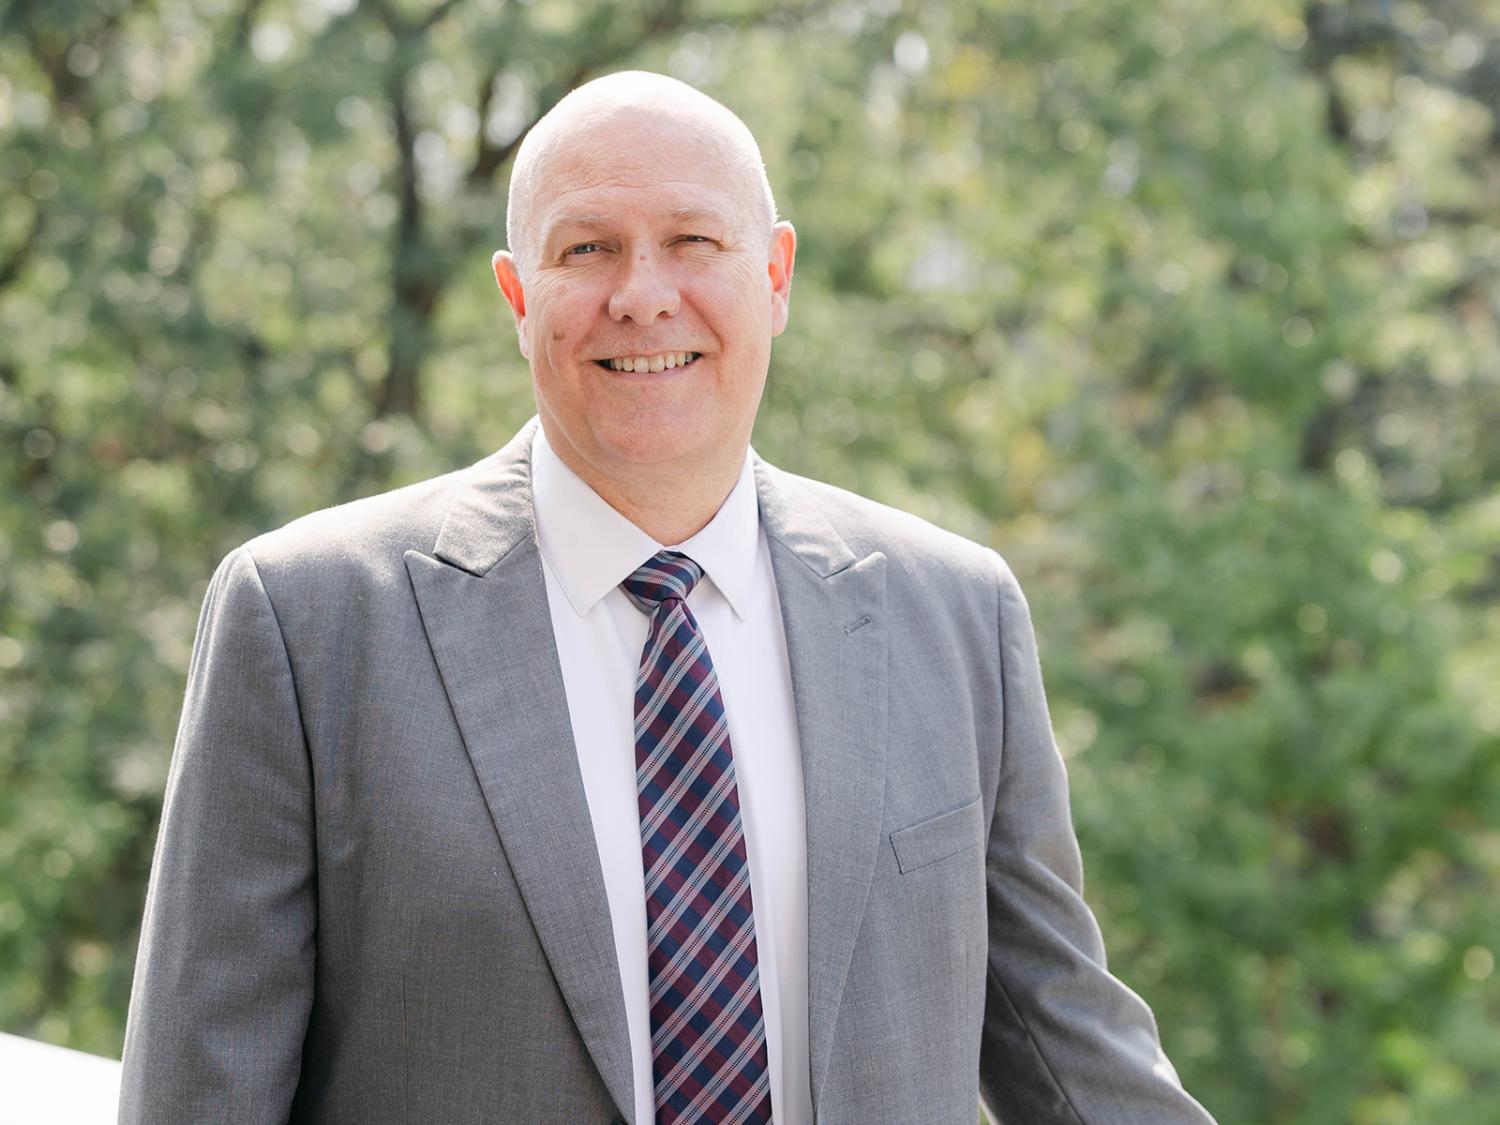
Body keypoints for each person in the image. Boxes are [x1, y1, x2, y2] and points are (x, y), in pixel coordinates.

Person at [119, 71, 1215, 1124]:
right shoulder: (306, 623)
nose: (643, 295)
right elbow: (202, 1090)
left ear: (775, 276)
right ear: (517, 296)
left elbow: (1070, 1053)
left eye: (694, 241)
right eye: (586, 248)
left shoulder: (956, 616)